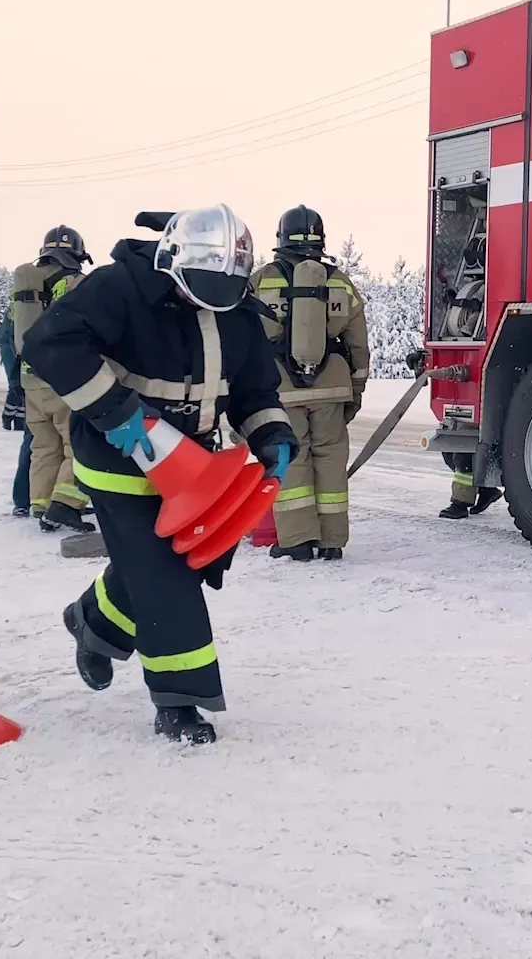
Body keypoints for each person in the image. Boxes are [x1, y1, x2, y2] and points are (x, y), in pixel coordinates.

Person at [26, 203, 297, 745]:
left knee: (184, 560)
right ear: (171, 261)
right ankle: (180, 700)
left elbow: (254, 389)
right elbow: (49, 345)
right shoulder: (118, 288)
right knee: (166, 580)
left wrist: (272, 435)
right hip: (116, 460)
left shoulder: (234, 306)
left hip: (194, 467)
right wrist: (113, 410)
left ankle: (94, 624)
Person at [249, 205, 369, 561]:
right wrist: (356, 389)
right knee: (330, 459)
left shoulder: (262, 280)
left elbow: (242, 337)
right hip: (331, 387)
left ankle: (297, 541)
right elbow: (358, 345)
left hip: (281, 389)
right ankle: (332, 541)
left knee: (292, 458)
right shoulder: (340, 282)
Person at [11, 226, 94, 534]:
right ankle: (66, 506)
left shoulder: (25, 289)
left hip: (30, 377)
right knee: (79, 443)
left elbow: (13, 337)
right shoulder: (76, 284)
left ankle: (40, 503)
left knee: (45, 445)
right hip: (63, 377)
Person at [404, 347, 502, 519]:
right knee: (450, 449)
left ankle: (461, 502)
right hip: (466, 396)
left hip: (480, 392)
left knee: (463, 450)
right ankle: (485, 489)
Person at [0, 312, 31, 518]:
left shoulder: (20, 308)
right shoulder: (25, 310)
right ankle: (9, 419)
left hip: (25, 370)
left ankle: (26, 500)